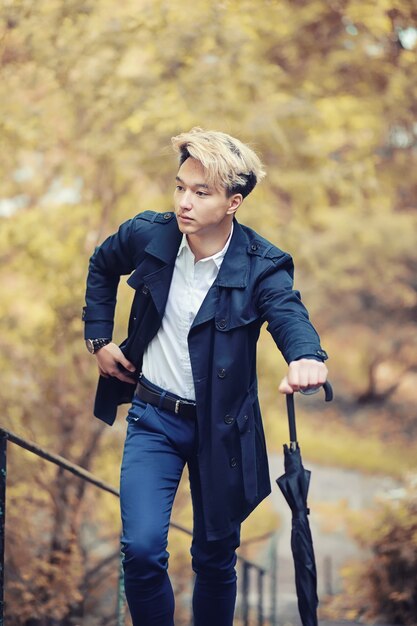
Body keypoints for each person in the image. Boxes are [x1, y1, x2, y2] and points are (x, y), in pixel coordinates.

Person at [83, 128, 328, 626]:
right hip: (153, 418)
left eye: (201, 193)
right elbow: (102, 264)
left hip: (223, 432)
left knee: (215, 558)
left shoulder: (263, 266)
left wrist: (307, 357)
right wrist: (98, 340)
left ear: (233, 202)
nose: (184, 203)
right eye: (180, 187)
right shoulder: (150, 235)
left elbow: (288, 314)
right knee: (143, 550)